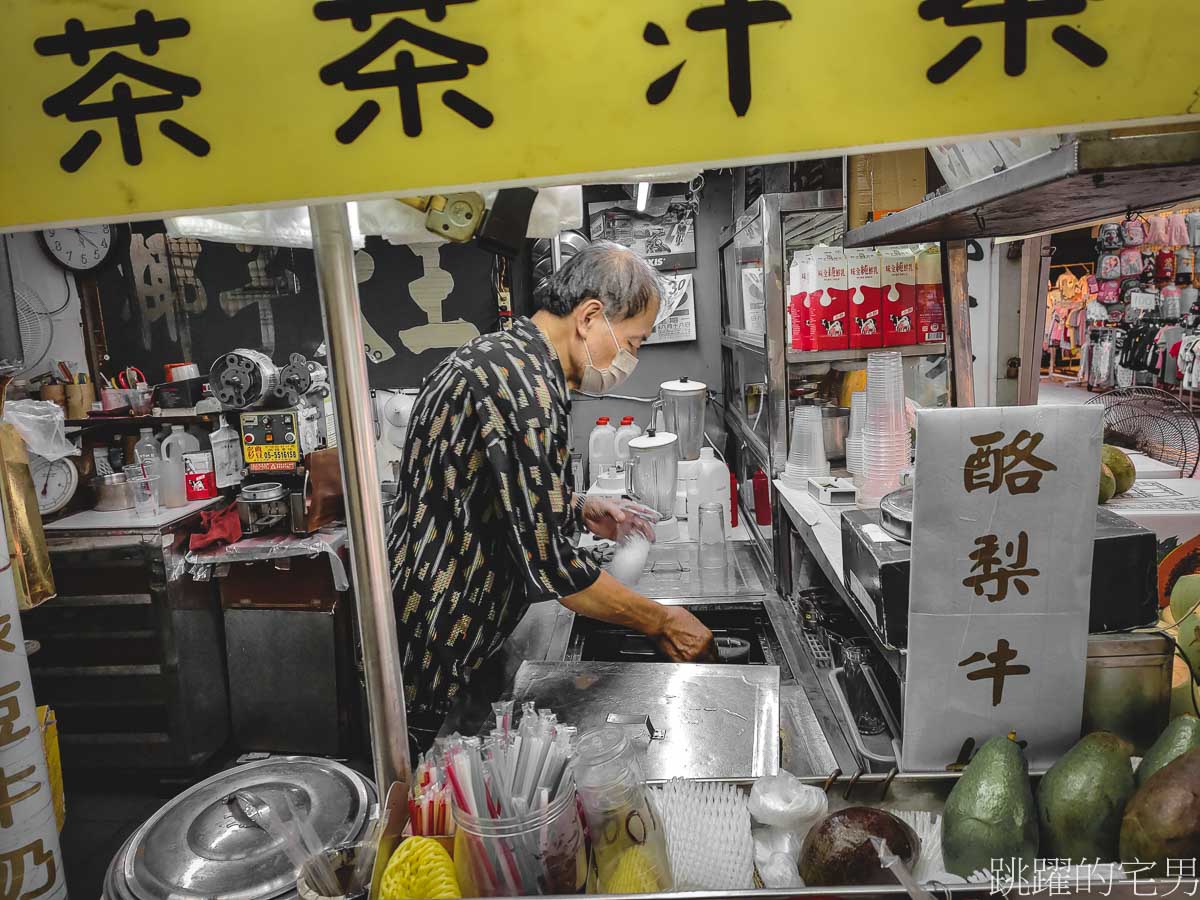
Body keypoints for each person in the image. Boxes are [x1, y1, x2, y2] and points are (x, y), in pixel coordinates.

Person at [388, 241, 716, 750]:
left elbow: (497, 484)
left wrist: (578, 505)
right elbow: (557, 571)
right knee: (437, 791)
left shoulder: (503, 358)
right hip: (442, 640)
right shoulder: (527, 387)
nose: (630, 358)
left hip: (427, 614)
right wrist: (662, 620)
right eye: (632, 341)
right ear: (589, 317)